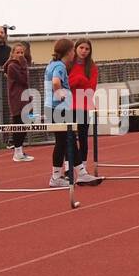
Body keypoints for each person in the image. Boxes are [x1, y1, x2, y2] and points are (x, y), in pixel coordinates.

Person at [45, 38, 77, 189]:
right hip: (59, 108)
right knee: (62, 142)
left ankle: (58, 175)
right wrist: (61, 95)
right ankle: (56, 177)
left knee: (61, 142)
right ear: (69, 52)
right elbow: (56, 82)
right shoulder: (60, 66)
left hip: (51, 107)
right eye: (73, 51)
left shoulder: (51, 64)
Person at [68, 39, 100, 183]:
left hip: (84, 104)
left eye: (87, 49)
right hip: (69, 105)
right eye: (81, 48)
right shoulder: (69, 64)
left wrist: (79, 81)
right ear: (75, 48)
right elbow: (66, 84)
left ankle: (83, 168)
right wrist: (80, 79)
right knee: (68, 138)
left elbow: (91, 87)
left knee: (83, 137)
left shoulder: (92, 67)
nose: (84, 51)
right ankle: (68, 167)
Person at [4, 42, 35, 162]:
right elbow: (23, 80)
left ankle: (20, 150)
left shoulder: (21, 65)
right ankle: (17, 151)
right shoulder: (13, 66)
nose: (20, 55)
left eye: (22, 52)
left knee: (26, 122)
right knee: (19, 123)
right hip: (17, 98)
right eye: (17, 52)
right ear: (12, 54)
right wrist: (23, 66)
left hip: (25, 97)